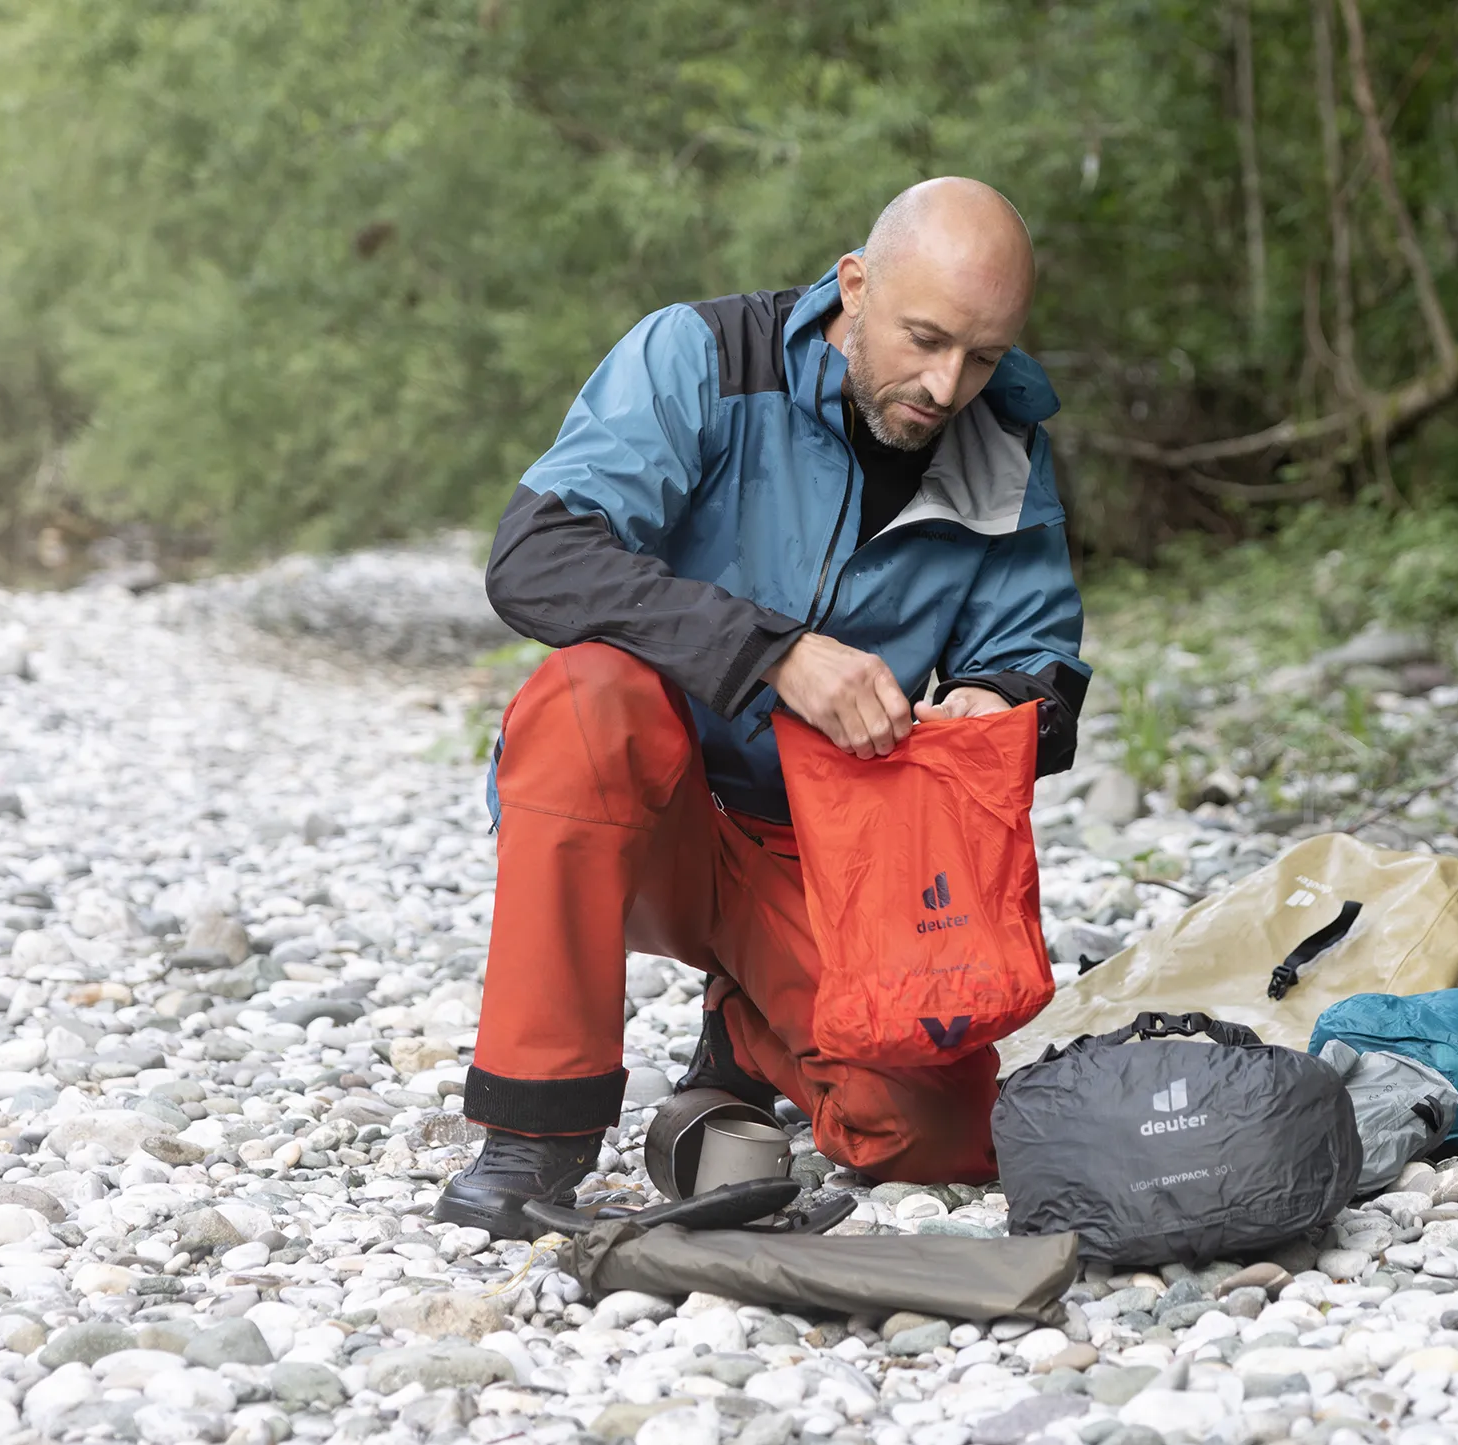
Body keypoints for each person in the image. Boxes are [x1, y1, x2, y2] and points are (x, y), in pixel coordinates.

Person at [433, 178, 1090, 1239]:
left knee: (929, 1130)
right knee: (590, 695)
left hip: (824, 848)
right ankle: (535, 1127)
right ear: (856, 285)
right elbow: (538, 558)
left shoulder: (1004, 438)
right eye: (924, 339)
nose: (946, 385)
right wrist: (772, 653)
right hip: (642, 817)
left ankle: (743, 1030)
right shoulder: (698, 357)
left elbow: (1040, 661)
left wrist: (996, 700)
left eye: (982, 356)